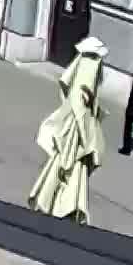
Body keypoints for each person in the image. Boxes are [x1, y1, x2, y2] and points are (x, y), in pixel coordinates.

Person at [29, 36, 108, 223]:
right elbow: (80, 100)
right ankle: (67, 206)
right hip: (77, 129)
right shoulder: (90, 65)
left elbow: (71, 90)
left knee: (62, 162)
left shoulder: (82, 64)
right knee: (74, 164)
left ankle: (51, 200)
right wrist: (86, 133)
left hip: (73, 125)